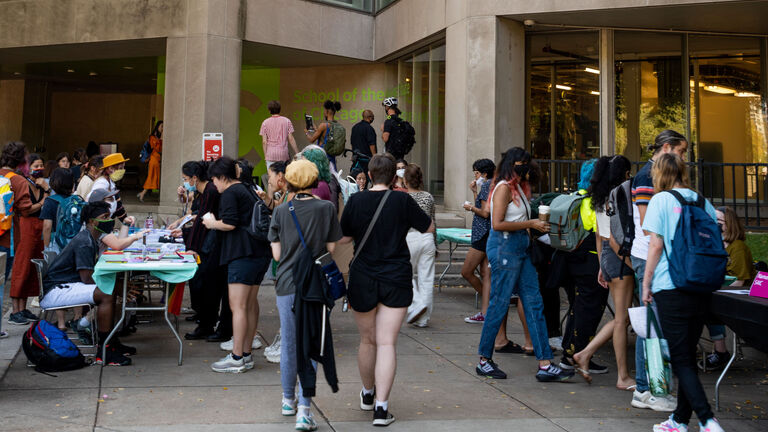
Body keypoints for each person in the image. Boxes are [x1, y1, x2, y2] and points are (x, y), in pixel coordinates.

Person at [339, 154, 434, 426]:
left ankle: (367, 394)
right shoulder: (402, 199)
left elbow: (344, 236)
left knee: (367, 341)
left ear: (369, 175)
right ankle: (381, 409)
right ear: (395, 177)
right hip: (395, 275)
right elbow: (427, 227)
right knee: (387, 343)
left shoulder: (356, 200)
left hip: (363, 276)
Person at [641, 153, 725, 432]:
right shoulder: (703, 202)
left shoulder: (660, 200)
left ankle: (707, 419)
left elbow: (655, 245)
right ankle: (679, 420)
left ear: (659, 174)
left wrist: (646, 283)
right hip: (701, 285)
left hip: (671, 285)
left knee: (681, 360)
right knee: (687, 354)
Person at [476, 147, 573, 383]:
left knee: (534, 302)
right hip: (505, 248)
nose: (525, 167)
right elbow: (497, 224)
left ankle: (545, 362)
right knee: (499, 303)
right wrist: (531, 223)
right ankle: (484, 359)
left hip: (520, 247)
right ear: (511, 164)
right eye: (521, 163)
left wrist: (532, 226)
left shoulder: (518, 187)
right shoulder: (503, 188)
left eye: (526, 163)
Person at [268, 159, 342, 431]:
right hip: (314, 285)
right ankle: (304, 409)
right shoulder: (326, 208)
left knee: (289, 342)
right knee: (311, 342)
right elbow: (331, 247)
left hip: (287, 283)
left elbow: (276, 255)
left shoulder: (281, 211)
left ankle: (288, 399)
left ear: (287, 182)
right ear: (315, 182)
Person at [630, 130, 687, 411]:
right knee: (652, 327)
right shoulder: (646, 177)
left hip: (654, 258)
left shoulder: (653, 177)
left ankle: (650, 387)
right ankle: (648, 388)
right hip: (649, 258)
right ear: (666, 148)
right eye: (681, 151)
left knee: (652, 325)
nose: (683, 157)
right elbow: (648, 225)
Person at [40, 201, 136, 366]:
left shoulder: (91, 238)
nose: (108, 220)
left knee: (111, 289)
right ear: (91, 222)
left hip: (66, 285)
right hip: (56, 290)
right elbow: (87, 278)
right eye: (103, 217)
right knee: (106, 294)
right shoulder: (85, 241)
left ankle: (112, 343)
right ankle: (104, 351)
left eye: (109, 216)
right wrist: (117, 288)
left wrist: (118, 286)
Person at [572, 155, 635, 389]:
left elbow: (600, 237)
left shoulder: (599, 198)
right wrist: (633, 265)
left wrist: (602, 265)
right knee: (621, 319)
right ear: (624, 174)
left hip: (608, 257)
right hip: (619, 258)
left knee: (623, 317)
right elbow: (615, 239)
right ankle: (622, 376)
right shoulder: (618, 197)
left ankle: (585, 353)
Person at [203, 156, 271, 373]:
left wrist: (212, 223)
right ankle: (246, 353)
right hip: (258, 253)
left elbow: (230, 223)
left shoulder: (231, 192)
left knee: (238, 307)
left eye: (214, 179)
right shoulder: (248, 188)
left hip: (242, 254)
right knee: (249, 305)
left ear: (223, 177)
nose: (214, 184)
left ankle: (237, 356)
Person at [552, 159, 609, 375]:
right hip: (592, 262)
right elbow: (600, 234)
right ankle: (577, 356)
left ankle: (572, 352)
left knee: (577, 308)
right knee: (590, 310)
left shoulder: (578, 196)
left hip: (572, 261)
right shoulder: (596, 201)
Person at [172, 161, 230, 344]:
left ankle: (206, 324)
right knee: (207, 286)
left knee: (208, 286)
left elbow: (204, 223)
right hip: (209, 243)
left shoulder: (210, 191)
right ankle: (206, 322)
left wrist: (192, 245)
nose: (185, 182)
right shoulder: (206, 191)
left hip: (212, 245)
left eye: (186, 179)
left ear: (195, 178)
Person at [699, 206, 756, 370]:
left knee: (708, 306)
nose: (714, 225)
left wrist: (716, 292)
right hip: (717, 291)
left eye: (718, 221)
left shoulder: (737, 247)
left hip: (738, 296)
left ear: (729, 224)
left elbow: (740, 281)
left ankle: (721, 351)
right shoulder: (713, 243)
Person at [7, 153, 49, 325]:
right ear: (27, 168)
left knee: (32, 268)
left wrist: (45, 189)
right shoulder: (22, 183)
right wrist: (43, 201)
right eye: (35, 166)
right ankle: (14, 311)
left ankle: (23, 308)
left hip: (38, 227)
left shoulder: (40, 185)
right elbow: (25, 210)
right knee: (21, 266)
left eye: (41, 166)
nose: (39, 169)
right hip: (25, 227)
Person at [0, 143, 40, 325]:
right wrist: (43, 202)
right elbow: (25, 209)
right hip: (10, 235)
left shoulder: (2, 175)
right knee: (8, 275)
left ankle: (18, 311)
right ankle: (8, 319)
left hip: (2, 231)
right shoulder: (18, 180)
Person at [403, 164, 437, 327]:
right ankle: (424, 319)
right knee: (427, 278)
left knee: (404, 274)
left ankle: (416, 305)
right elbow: (433, 221)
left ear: (405, 181)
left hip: (410, 238)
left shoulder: (403, 198)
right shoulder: (429, 197)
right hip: (428, 238)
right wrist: (435, 244)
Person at [462, 158, 495, 324]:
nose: (475, 175)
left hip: (482, 234)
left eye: (476, 172)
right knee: (485, 273)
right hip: (488, 233)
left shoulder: (488, 185)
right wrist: (475, 192)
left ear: (484, 173)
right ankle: (486, 310)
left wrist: (470, 208)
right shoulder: (490, 185)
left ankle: (489, 304)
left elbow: (484, 213)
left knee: (467, 271)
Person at [88, 153, 135, 226]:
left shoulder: (111, 183)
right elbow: (93, 207)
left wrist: (125, 219)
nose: (123, 171)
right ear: (110, 168)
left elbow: (118, 205)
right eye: (120, 168)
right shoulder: (101, 184)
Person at [41, 168, 76, 255]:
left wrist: (46, 247)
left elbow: (47, 226)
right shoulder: (76, 200)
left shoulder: (50, 201)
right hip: (73, 241)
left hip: (56, 243)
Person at [260, 100, 298, 170]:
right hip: (283, 154)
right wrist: (297, 152)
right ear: (280, 109)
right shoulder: (287, 121)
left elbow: (264, 142)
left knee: (272, 177)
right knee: (283, 176)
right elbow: (291, 139)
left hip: (270, 154)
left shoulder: (265, 123)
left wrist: (266, 156)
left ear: (269, 110)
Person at [305, 100, 342, 170]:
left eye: (324, 110)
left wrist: (306, 132)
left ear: (327, 112)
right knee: (332, 178)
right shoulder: (337, 125)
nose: (323, 112)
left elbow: (311, 140)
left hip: (322, 157)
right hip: (332, 157)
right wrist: (317, 130)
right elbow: (327, 136)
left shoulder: (323, 125)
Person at [138, 121, 163, 202]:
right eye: (161, 126)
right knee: (151, 177)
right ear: (157, 127)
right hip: (154, 160)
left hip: (157, 160)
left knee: (156, 178)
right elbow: (158, 149)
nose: (163, 129)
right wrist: (161, 138)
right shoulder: (152, 137)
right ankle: (142, 193)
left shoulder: (157, 138)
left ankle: (143, 193)